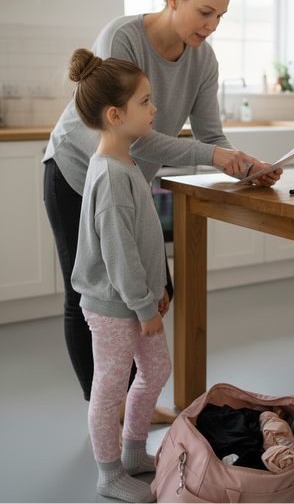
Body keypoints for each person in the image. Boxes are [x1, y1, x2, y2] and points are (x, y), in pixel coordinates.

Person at [43, 0, 283, 416]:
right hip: (78, 173)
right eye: (205, 12)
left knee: (154, 292)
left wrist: (245, 165)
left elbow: (212, 136)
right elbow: (127, 136)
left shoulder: (204, 60)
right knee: (91, 295)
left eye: (221, 16)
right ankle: (106, 411)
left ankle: (132, 402)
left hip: (130, 183)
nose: (212, 26)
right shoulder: (124, 37)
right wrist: (215, 154)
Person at [69, 48, 169, 503]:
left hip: (138, 299)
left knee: (157, 368)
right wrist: (144, 303)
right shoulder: (110, 175)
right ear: (115, 114)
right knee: (109, 388)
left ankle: (132, 452)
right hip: (114, 306)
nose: (155, 109)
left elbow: (141, 239)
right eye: (146, 101)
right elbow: (119, 254)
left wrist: (156, 290)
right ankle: (109, 476)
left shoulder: (126, 162)